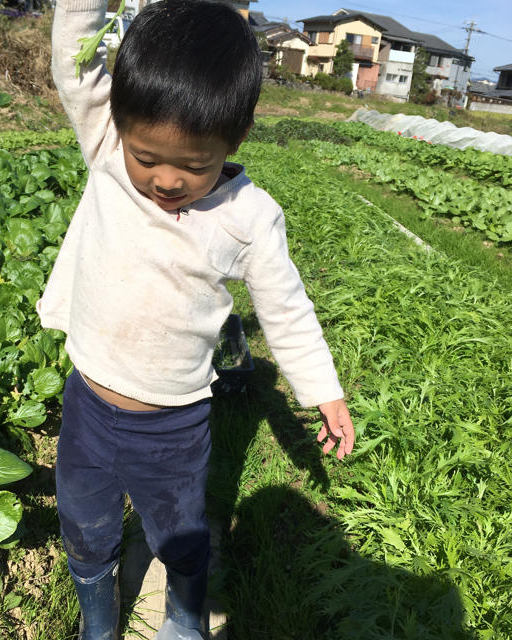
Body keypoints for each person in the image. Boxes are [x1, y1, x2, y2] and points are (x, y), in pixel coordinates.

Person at [37, 0, 355, 638]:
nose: (166, 180)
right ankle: (97, 622)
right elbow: (76, 68)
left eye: (195, 165)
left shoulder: (248, 217)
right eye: (148, 157)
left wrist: (322, 389)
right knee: (83, 523)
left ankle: (184, 619)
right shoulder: (106, 150)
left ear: (235, 140)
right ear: (121, 127)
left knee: (179, 536)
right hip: (89, 404)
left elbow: (286, 309)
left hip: (173, 425)